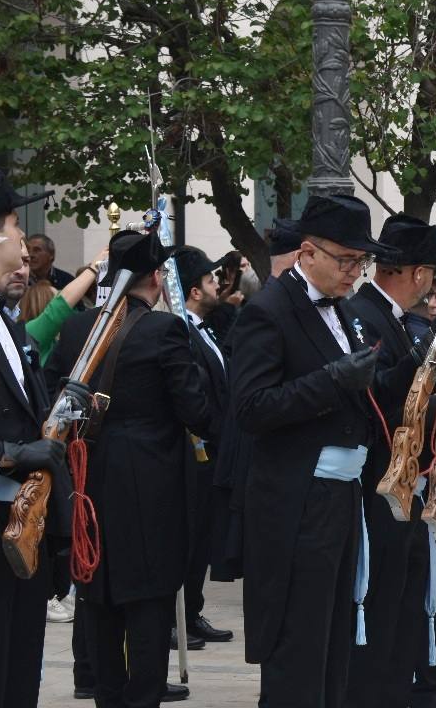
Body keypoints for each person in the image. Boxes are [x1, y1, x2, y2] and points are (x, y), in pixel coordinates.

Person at [231, 195, 387, 708]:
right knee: (299, 636)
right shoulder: (268, 310)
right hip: (297, 501)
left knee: (335, 633)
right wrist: (331, 381)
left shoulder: (340, 309)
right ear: (307, 252)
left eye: (360, 262)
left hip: (341, 495)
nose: (354, 272)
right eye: (345, 260)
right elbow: (251, 408)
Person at [47, 229, 213, 708]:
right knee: (150, 598)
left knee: (98, 593)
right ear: (156, 278)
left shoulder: (80, 328)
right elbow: (195, 410)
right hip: (151, 481)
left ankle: (107, 696)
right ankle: (142, 697)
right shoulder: (164, 330)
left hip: (89, 476)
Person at [345, 213, 436, 708]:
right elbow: (377, 401)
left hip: (406, 481)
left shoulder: (390, 319)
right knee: (382, 606)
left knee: (404, 601)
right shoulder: (366, 315)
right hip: (380, 481)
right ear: (418, 274)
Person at [0, 173, 74, 708]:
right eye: (10, 224)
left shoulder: (9, 320)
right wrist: (11, 454)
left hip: (22, 527)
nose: (22, 240)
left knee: (20, 671)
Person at [173, 246, 237, 646]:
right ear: (194, 291)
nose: (218, 285)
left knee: (202, 540)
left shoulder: (206, 327)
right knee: (189, 538)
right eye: (211, 279)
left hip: (215, 449)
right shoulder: (181, 331)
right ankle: (177, 616)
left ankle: (192, 611)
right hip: (198, 448)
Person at [20, 246, 107, 363]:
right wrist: (94, 268)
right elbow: (61, 305)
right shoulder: (32, 332)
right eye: (57, 296)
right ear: (45, 306)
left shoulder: (51, 339)